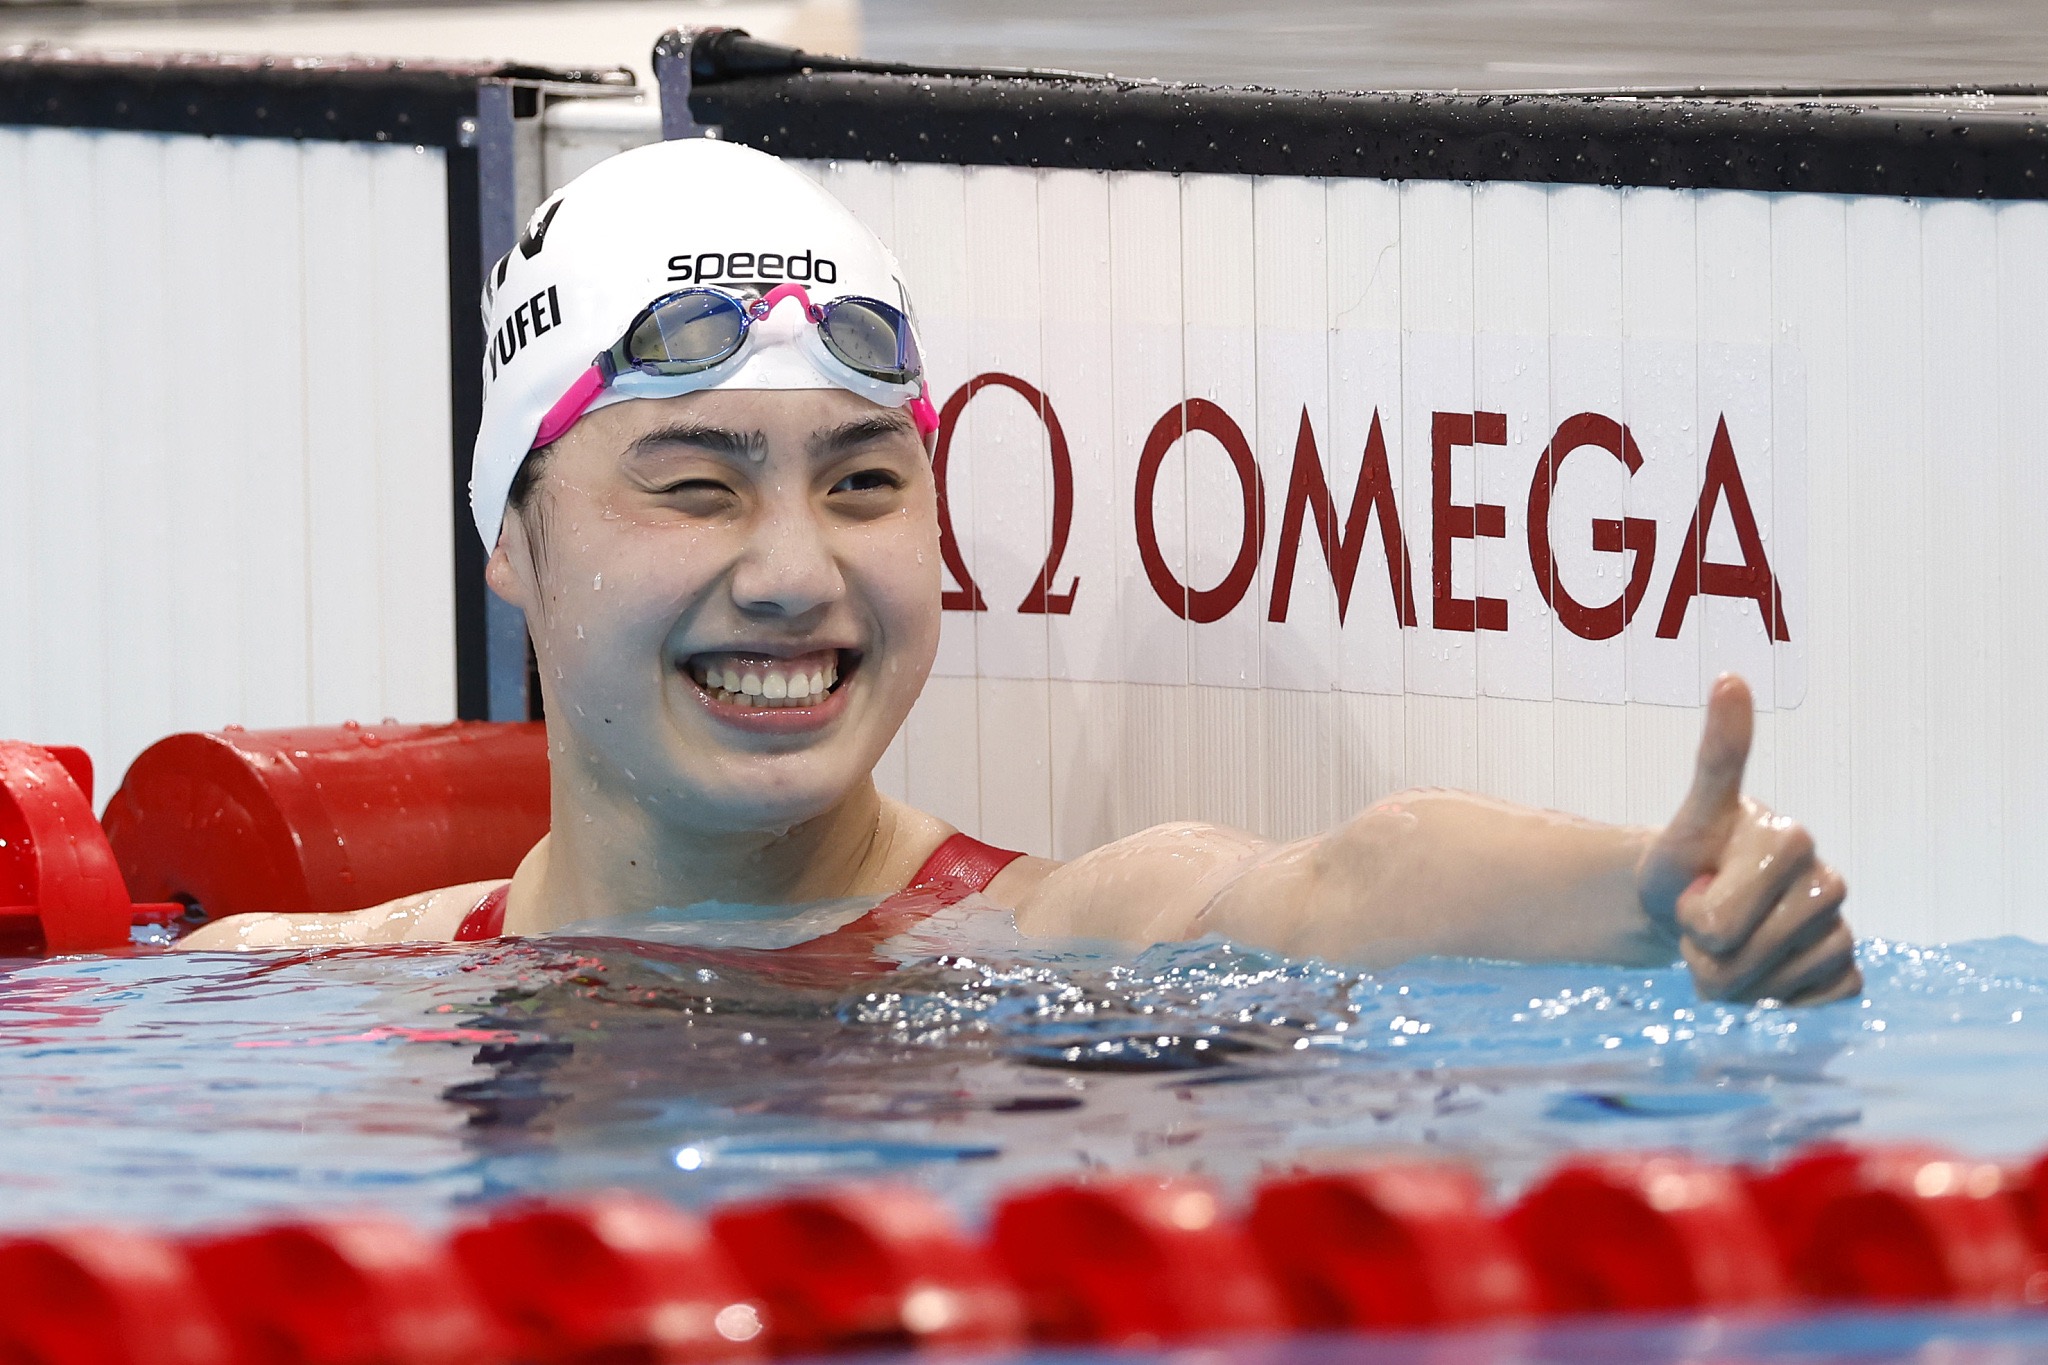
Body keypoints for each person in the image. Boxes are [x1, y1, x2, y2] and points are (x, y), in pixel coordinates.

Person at [181, 139, 1857, 1007]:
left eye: (862, 481)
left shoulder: (1041, 941)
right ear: (512, 537)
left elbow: (1342, 886)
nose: (793, 573)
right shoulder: (286, 989)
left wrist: (1645, 901)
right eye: (696, 484)